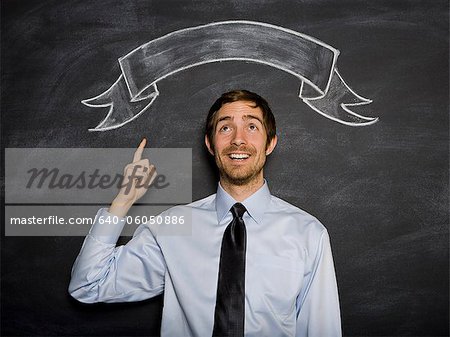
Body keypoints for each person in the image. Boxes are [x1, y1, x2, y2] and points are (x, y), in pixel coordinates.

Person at [69, 90, 342, 337]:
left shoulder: (309, 234)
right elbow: (88, 285)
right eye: (225, 128)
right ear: (210, 145)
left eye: (251, 126)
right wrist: (122, 202)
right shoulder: (172, 228)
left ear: (270, 143)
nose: (238, 139)